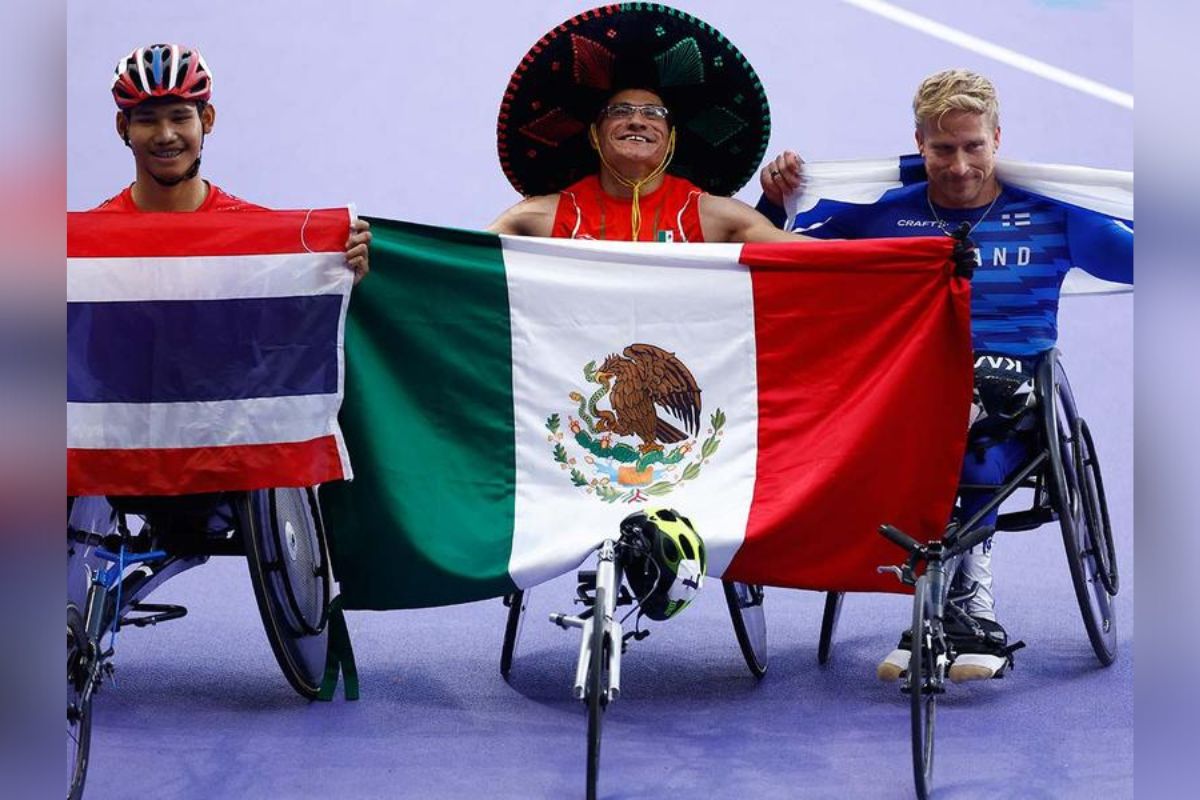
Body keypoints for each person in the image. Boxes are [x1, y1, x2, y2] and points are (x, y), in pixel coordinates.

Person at [757, 68, 1133, 682]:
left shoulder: (1055, 214)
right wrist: (777, 195)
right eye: (942, 149)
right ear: (919, 143)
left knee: (971, 432)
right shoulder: (881, 211)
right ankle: (955, 600)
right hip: (909, 388)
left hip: (1013, 393)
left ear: (997, 139)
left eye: (974, 147)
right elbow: (775, 253)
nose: (959, 165)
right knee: (918, 415)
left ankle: (957, 598)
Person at [487, 5, 800, 244]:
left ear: (672, 138)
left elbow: (819, 260)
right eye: (620, 111)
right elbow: (456, 266)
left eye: (654, 114)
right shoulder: (540, 218)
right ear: (595, 134)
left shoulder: (711, 216)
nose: (637, 121)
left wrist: (776, 202)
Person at [96, 42, 371, 280]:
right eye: (147, 120)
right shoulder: (87, 241)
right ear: (123, 127)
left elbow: (289, 325)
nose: (166, 135)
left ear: (207, 120)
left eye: (180, 117)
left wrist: (340, 279)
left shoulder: (256, 231)